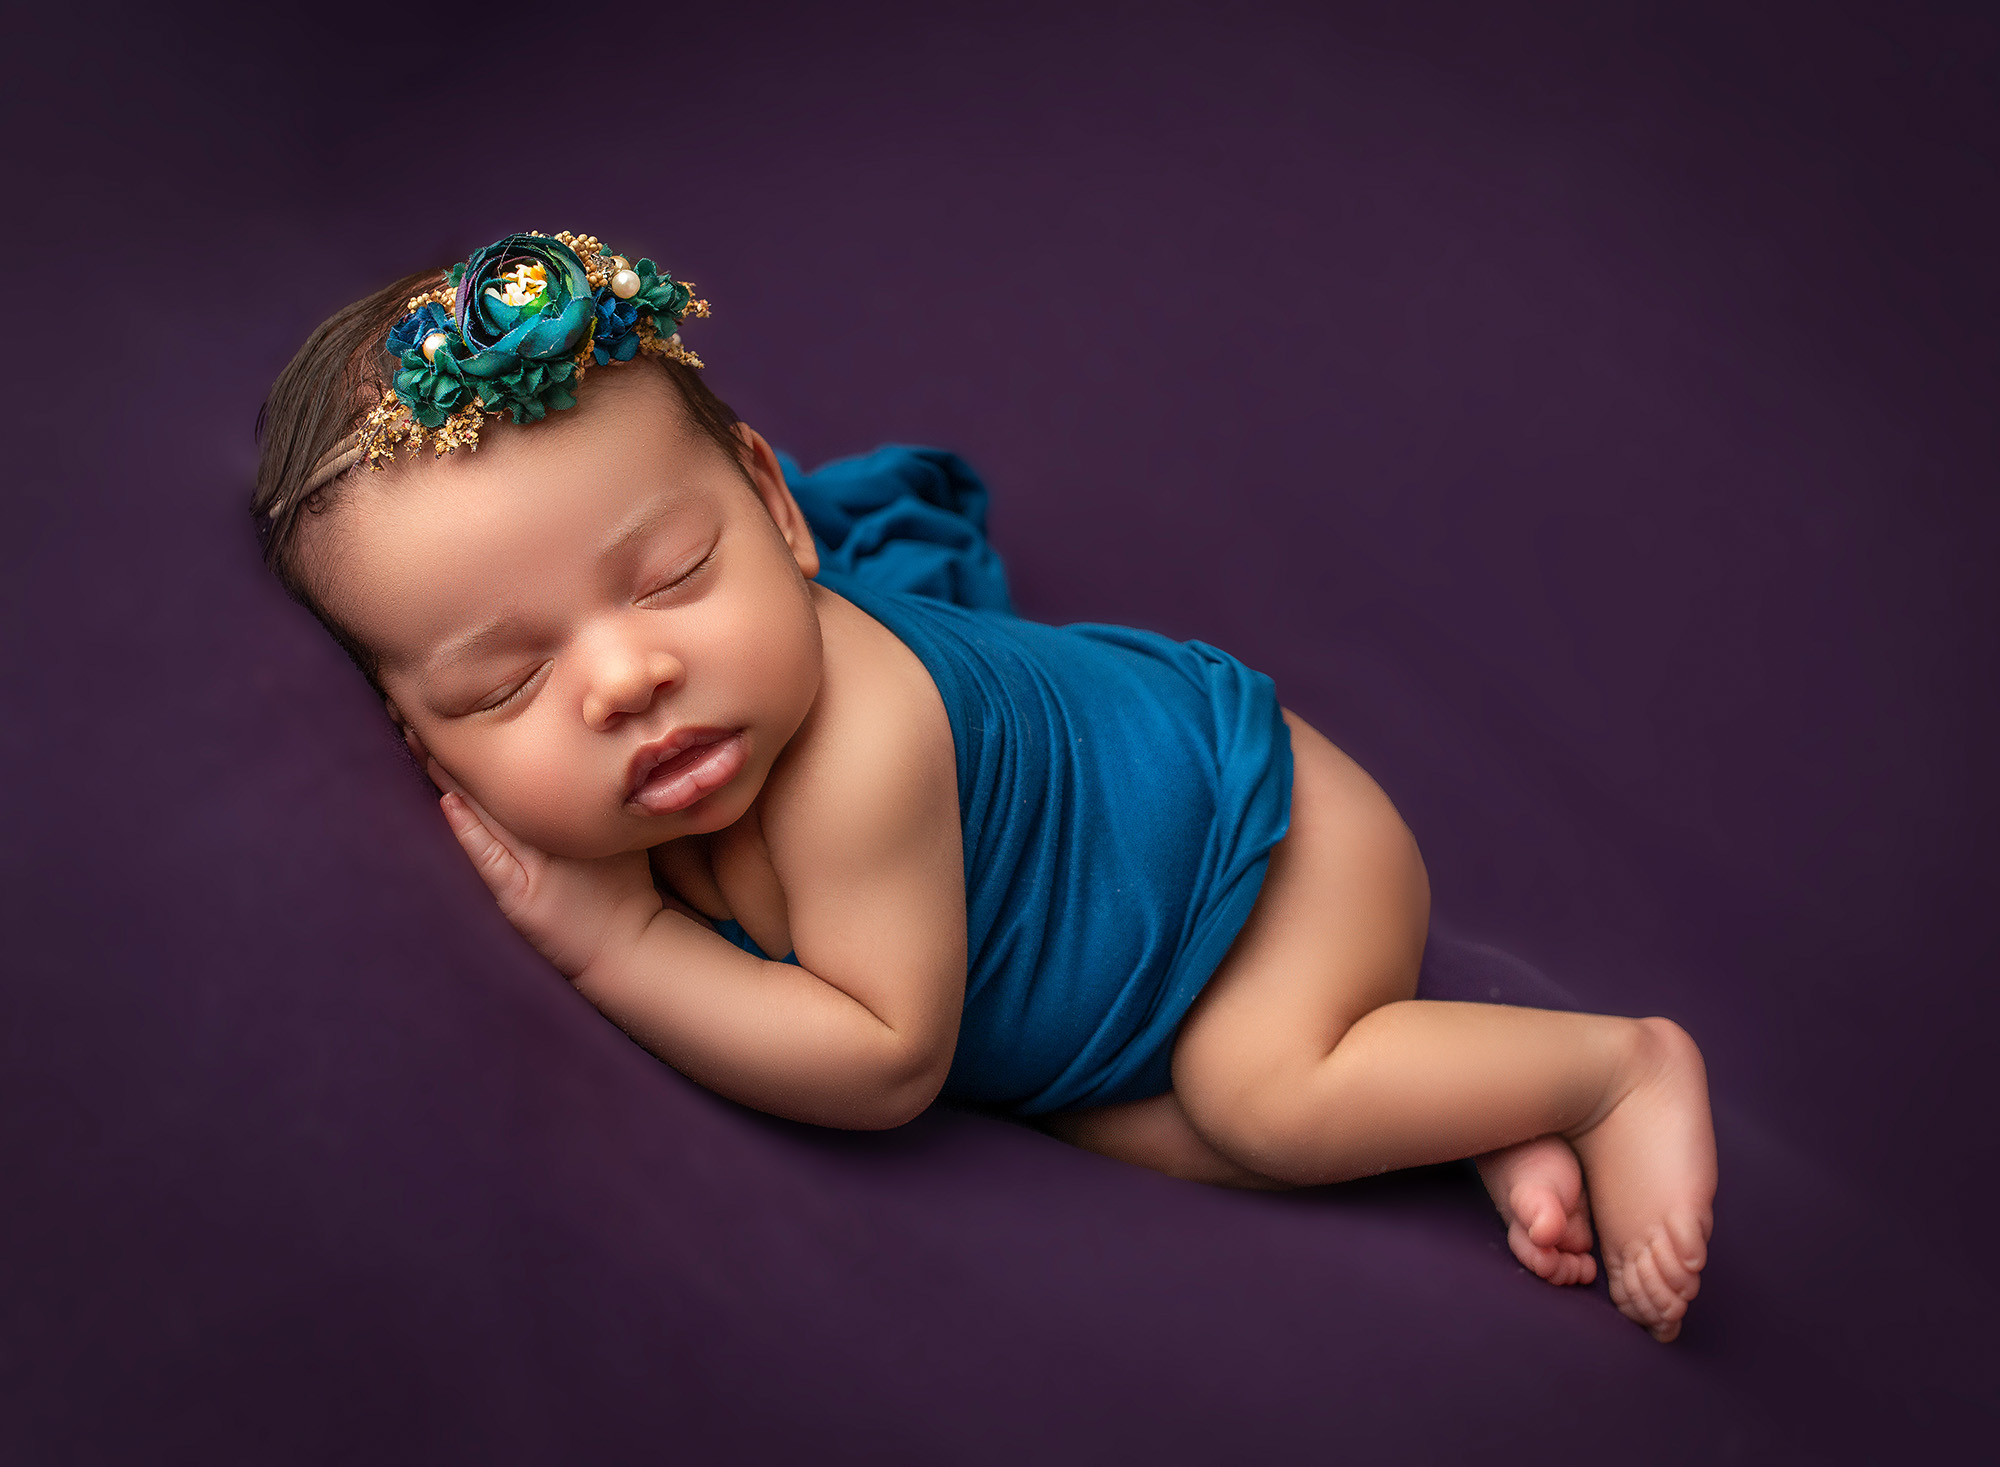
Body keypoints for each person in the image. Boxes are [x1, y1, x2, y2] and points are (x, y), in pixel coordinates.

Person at [253, 231, 1716, 1342]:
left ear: (775, 505)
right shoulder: (684, 726)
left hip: (1268, 855)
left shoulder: (859, 751)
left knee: (1255, 1095)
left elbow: (885, 1064)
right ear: (410, 730)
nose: (626, 678)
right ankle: (1454, 1102)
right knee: (1111, 1123)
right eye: (503, 686)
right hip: (1107, 977)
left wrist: (610, 939)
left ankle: (1607, 1067)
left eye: (678, 576)